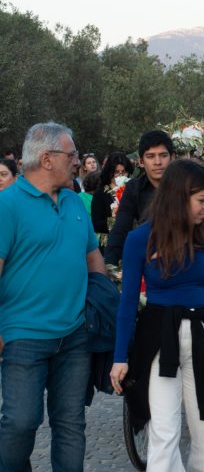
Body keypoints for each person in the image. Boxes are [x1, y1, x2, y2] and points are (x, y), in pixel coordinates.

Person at [110, 159, 204, 471]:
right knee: (163, 430)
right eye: (201, 199)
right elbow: (127, 302)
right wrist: (120, 356)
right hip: (158, 338)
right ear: (179, 197)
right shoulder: (140, 239)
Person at [0, 122, 106, 471]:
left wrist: (103, 306)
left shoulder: (75, 201)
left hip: (75, 336)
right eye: (72, 154)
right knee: (19, 424)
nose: (78, 161)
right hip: (23, 336)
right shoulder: (7, 205)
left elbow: (94, 259)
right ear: (47, 159)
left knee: (71, 424)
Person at [104, 130, 175, 266]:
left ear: (172, 157)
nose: (157, 162)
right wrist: (109, 265)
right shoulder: (133, 188)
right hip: (149, 260)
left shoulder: (186, 185)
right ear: (141, 161)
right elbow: (121, 228)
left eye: (163, 155)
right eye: (150, 156)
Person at [91, 151, 134, 235]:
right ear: (109, 172)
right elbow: (96, 224)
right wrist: (115, 220)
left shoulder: (133, 189)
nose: (120, 175)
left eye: (124, 171)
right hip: (110, 241)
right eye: (116, 172)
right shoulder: (100, 193)